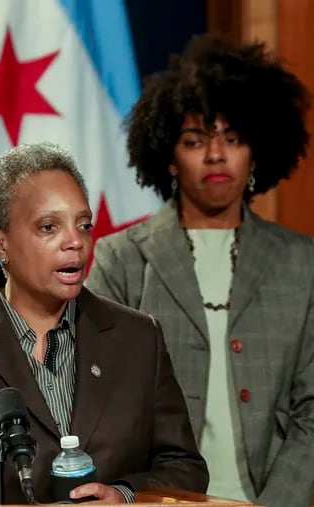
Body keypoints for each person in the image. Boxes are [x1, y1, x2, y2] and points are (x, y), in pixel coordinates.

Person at [0, 143, 208, 505]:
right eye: (49, 227)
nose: (75, 242)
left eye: (84, 225)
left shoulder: (139, 338)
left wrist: (124, 496)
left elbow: (185, 468)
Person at [86, 35, 314, 507]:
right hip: (156, 500)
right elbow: (95, 400)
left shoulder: (302, 262)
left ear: (255, 153)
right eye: (195, 140)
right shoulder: (120, 259)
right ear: (169, 156)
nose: (215, 155)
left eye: (233, 139)